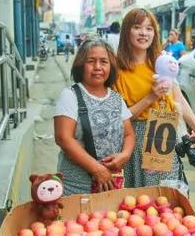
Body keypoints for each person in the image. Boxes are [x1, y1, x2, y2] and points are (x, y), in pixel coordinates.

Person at [114, 8, 195, 188]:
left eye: (149, 28)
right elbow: (120, 117)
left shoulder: (161, 61)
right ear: (127, 31)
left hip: (166, 130)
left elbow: (177, 98)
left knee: (170, 194)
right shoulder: (117, 69)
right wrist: (151, 97)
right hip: (138, 136)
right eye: (137, 27)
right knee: (144, 200)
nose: (144, 33)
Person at [54, 39, 135, 195]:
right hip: (76, 188)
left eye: (104, 62)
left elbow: (129, 134)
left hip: (111, 186)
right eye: (91, 61)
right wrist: (97, 169)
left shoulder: (117, 99)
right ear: (81, 65)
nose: (98, 67)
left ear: (110, 66)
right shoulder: (70, 95)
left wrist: (124, 155)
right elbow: (63, 138)